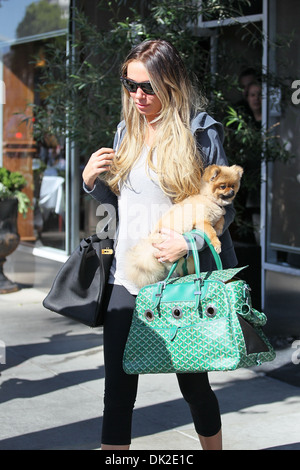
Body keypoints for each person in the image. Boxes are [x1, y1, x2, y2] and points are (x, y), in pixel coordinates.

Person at [82, 39, 238, 450]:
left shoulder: (198, 132)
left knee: (194, 388)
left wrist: (188, 244)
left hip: (177, 280)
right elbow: (121, 207)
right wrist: (91, 182)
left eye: (147, 87)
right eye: (129, 84)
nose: (138, 96)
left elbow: (224, 209)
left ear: (170, 83)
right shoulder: (125, 131)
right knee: (117, 394)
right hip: (126, 279)